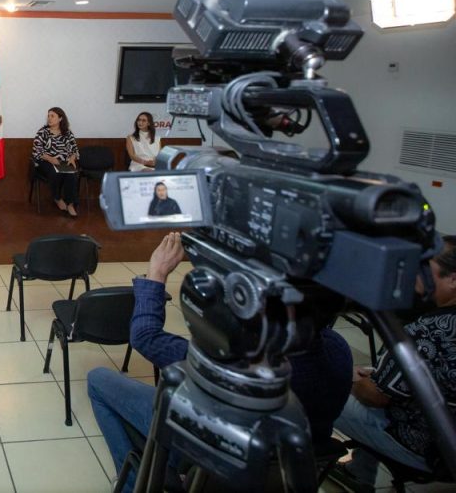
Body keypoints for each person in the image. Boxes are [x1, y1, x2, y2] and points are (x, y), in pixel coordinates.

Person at [87, 233, 353, 491]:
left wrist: (157, 273)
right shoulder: (340, 351)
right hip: (283, 468)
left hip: (207, 453)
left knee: (98, 380)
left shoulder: (236, 363)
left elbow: (145, 336)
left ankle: (131, 484)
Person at [331, 235, 456, 491]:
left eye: (425, 268)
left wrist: (353, 380)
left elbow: (374, 396)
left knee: (317, 387)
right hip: (446, 441)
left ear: (453, 280)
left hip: (428, 447)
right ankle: (358, 471)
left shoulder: (427, 331)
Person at [31, 107, 80, 217]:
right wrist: (50, 159)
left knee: (72, 174)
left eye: (52, 116)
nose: (49, 118)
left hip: (64, 162)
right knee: (55, 172)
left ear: (60, 118)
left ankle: (70, 204)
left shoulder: (67, 133)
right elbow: (36, 151)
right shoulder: (42, 132)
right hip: (46, 161)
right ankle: (57, 198)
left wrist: (72, 158)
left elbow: (75, 150)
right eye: (48, 116)